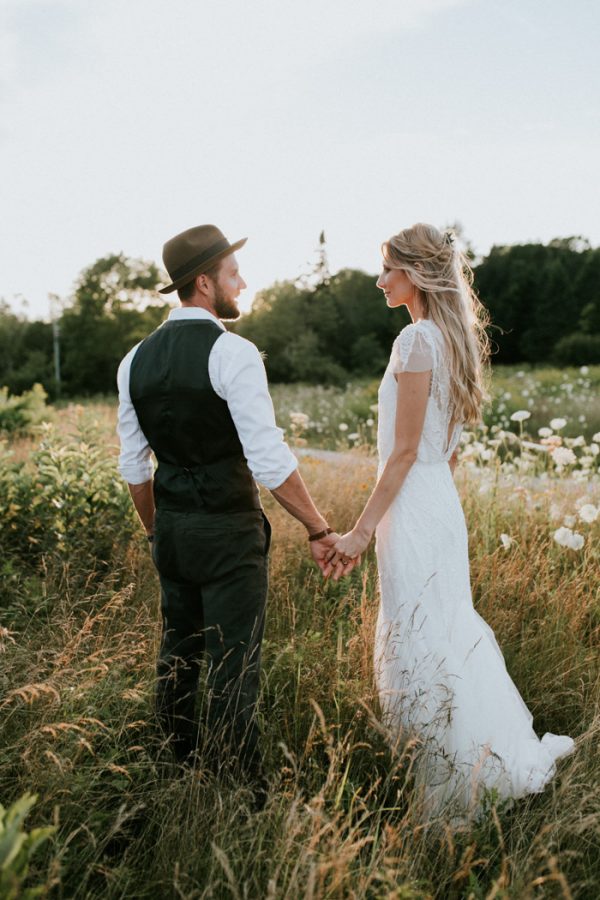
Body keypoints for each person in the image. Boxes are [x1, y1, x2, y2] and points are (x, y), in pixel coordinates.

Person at [326, 223, 574, 818]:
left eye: (389, 268)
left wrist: (360, 529)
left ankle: (447, 791)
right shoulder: (455, 340)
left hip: (414, 503)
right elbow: (447, 450)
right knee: (445, 625)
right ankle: (479, 760)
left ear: (417, 272)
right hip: (439, 501)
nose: (381, 280)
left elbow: (404, 452)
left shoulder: (415, 342)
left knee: (418, 632)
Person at [116, 224, 355, 783]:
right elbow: (268, 459)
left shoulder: (134, 360)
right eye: (232, 274)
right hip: (227, 533)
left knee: (178, 657)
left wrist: (157, 532)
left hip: (172, 532)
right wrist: (319, 529)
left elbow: (134, 466)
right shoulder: (233, 352)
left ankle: (173, 769)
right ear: (204, 283)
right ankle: (238, 792)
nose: (243, 283)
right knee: (232, 666)